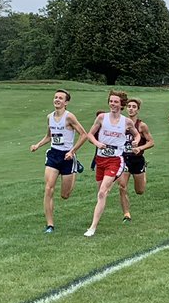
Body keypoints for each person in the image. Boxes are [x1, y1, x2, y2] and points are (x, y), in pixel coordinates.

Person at [82, 90, 140, 237]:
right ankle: (97, 217)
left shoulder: (126, 122)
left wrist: (136, 141)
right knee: (100, 193)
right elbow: (90, 134)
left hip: (115, 160)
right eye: (111, 101)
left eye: (116, 102)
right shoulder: (102, 117)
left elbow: (137, 134)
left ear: (121, 104)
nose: (113, 104)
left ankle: (92, 227)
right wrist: (97, 143)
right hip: (100, 159)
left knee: (102, 192)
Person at [29, 88, 88, 233]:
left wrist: (72, 151)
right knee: (48, 188)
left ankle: (75, 168)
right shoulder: (49, 117)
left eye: (61, 98)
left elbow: (84, 135)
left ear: (66, 102)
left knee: (64, 195)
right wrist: (37, 145)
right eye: (55, 97)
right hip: (54, 155)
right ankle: (50, 225)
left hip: (67, 157)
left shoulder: (69, 117)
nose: (57, 100)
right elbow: (49, 136)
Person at [118, 98, 154, 222]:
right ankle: (126, 213)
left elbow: (151, 142)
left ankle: (144, 170)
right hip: (124, 159)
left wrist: (140, 148)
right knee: (122, 186)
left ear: (138, 110)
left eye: (134, 107)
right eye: (129, 106)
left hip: (137, 160)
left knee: (140, 191)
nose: (131, 109)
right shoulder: (120, 123)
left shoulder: (141, 125)